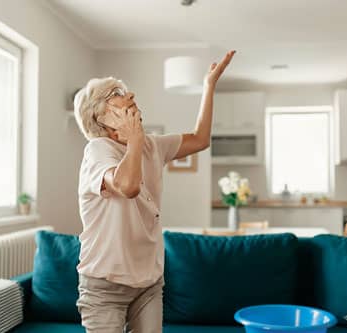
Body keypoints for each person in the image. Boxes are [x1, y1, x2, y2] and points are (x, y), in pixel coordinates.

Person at [73, 50, 236, 333]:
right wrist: (134, 139)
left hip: (148, 282)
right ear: (101, 115)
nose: (131, 94)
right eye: (118, 92)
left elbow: (200, 139)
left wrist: (209, 86)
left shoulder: (151, 145)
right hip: (105, 285)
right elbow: (127, 186)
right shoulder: (98, 150)